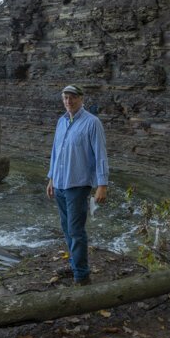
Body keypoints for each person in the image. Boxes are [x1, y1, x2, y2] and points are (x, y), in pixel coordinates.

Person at [46, 84, 109, 286]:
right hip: (60, 184)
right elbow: (56, 152)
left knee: (76, 231)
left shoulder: (92, 123)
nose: (68, 101)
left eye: (72, 97)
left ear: (81, 99)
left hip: (78, 185)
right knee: (66, 229)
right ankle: (75, 265)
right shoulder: (61, 122)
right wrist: (51, 178)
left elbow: (100, 155)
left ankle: (82, 276)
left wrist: (102, 184)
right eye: (65, 97)